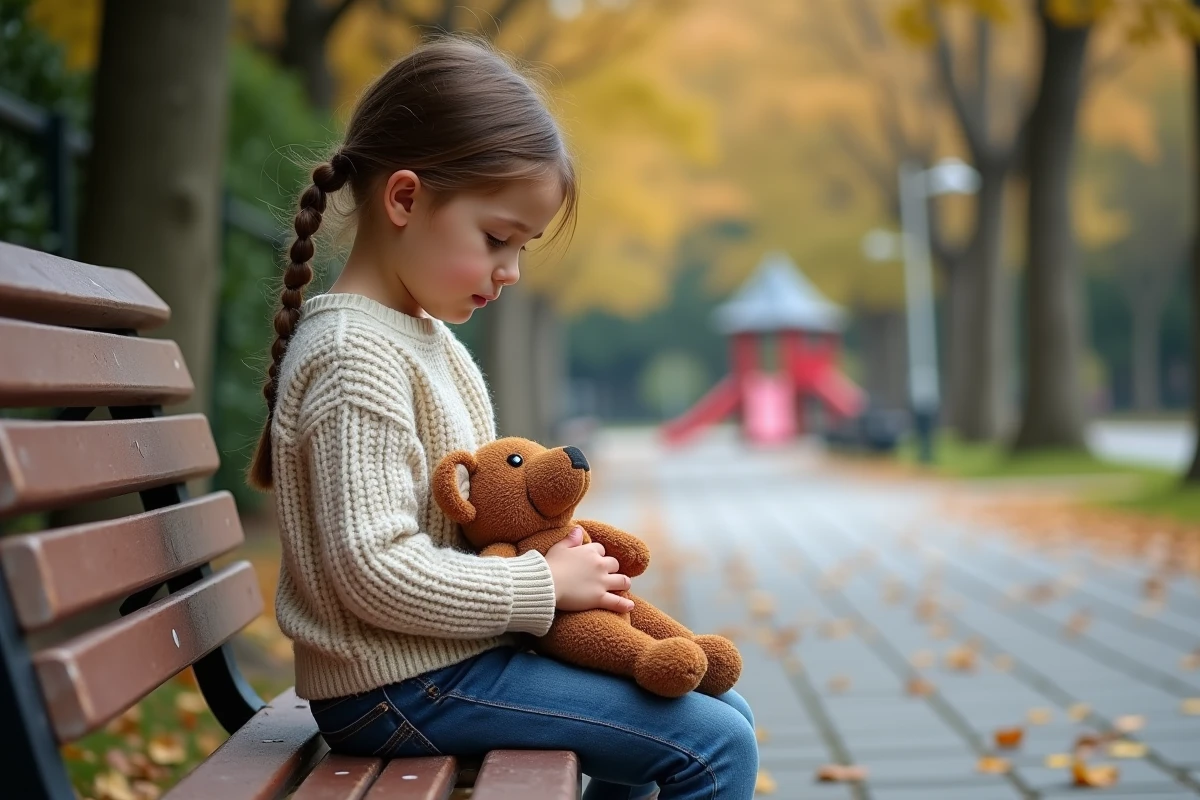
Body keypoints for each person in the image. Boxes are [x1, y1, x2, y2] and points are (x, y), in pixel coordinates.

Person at [247, 35, 758, 800]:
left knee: (720, 706)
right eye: (496, 239)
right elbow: (373, 573)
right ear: (406, 199)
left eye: (523, 246)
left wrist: (549, 550)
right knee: (712, 746)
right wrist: (540, 586)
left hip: (447, 663)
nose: (510, 271)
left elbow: (472, 514)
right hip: (396, 689)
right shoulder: (354, 355)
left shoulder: (427, 341)